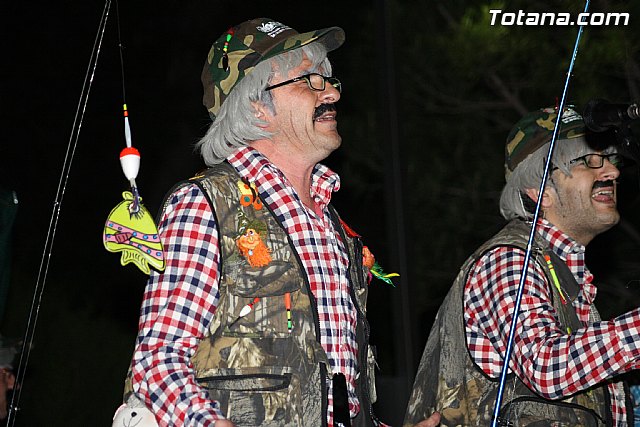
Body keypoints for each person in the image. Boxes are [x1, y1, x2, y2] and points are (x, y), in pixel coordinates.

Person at [117, 18, 440, 427]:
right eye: (310, 81)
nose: (333, 92)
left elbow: (333, 401)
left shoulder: (333, 227)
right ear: (256, 106)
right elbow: (158, 360)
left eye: (328, 79)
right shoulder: (206, 205)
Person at [404, 105, 640, 426]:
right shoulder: (508, 259)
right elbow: (546, 366)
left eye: (611, 159)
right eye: (589, 160)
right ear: (539, 189)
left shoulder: (565, 278)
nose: (612, 172)